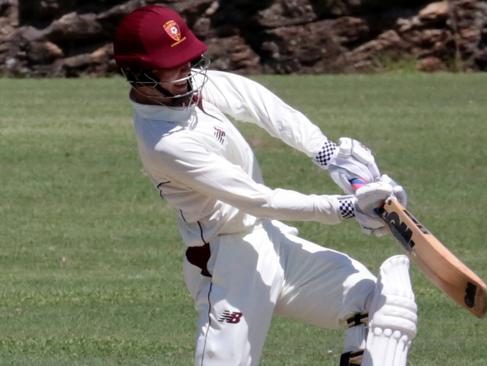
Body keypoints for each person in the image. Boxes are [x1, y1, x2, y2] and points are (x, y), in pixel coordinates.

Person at [112, 5, 417, 366]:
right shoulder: (165, 143)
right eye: (172, 62)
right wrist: (347, 207)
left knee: (380, 306)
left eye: (187, 57)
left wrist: (329, 155)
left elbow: (262, 105)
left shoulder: (188, 84)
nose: (186, 69)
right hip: (228, 265)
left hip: (272, 243)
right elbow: (258, 199)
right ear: (140, 73)